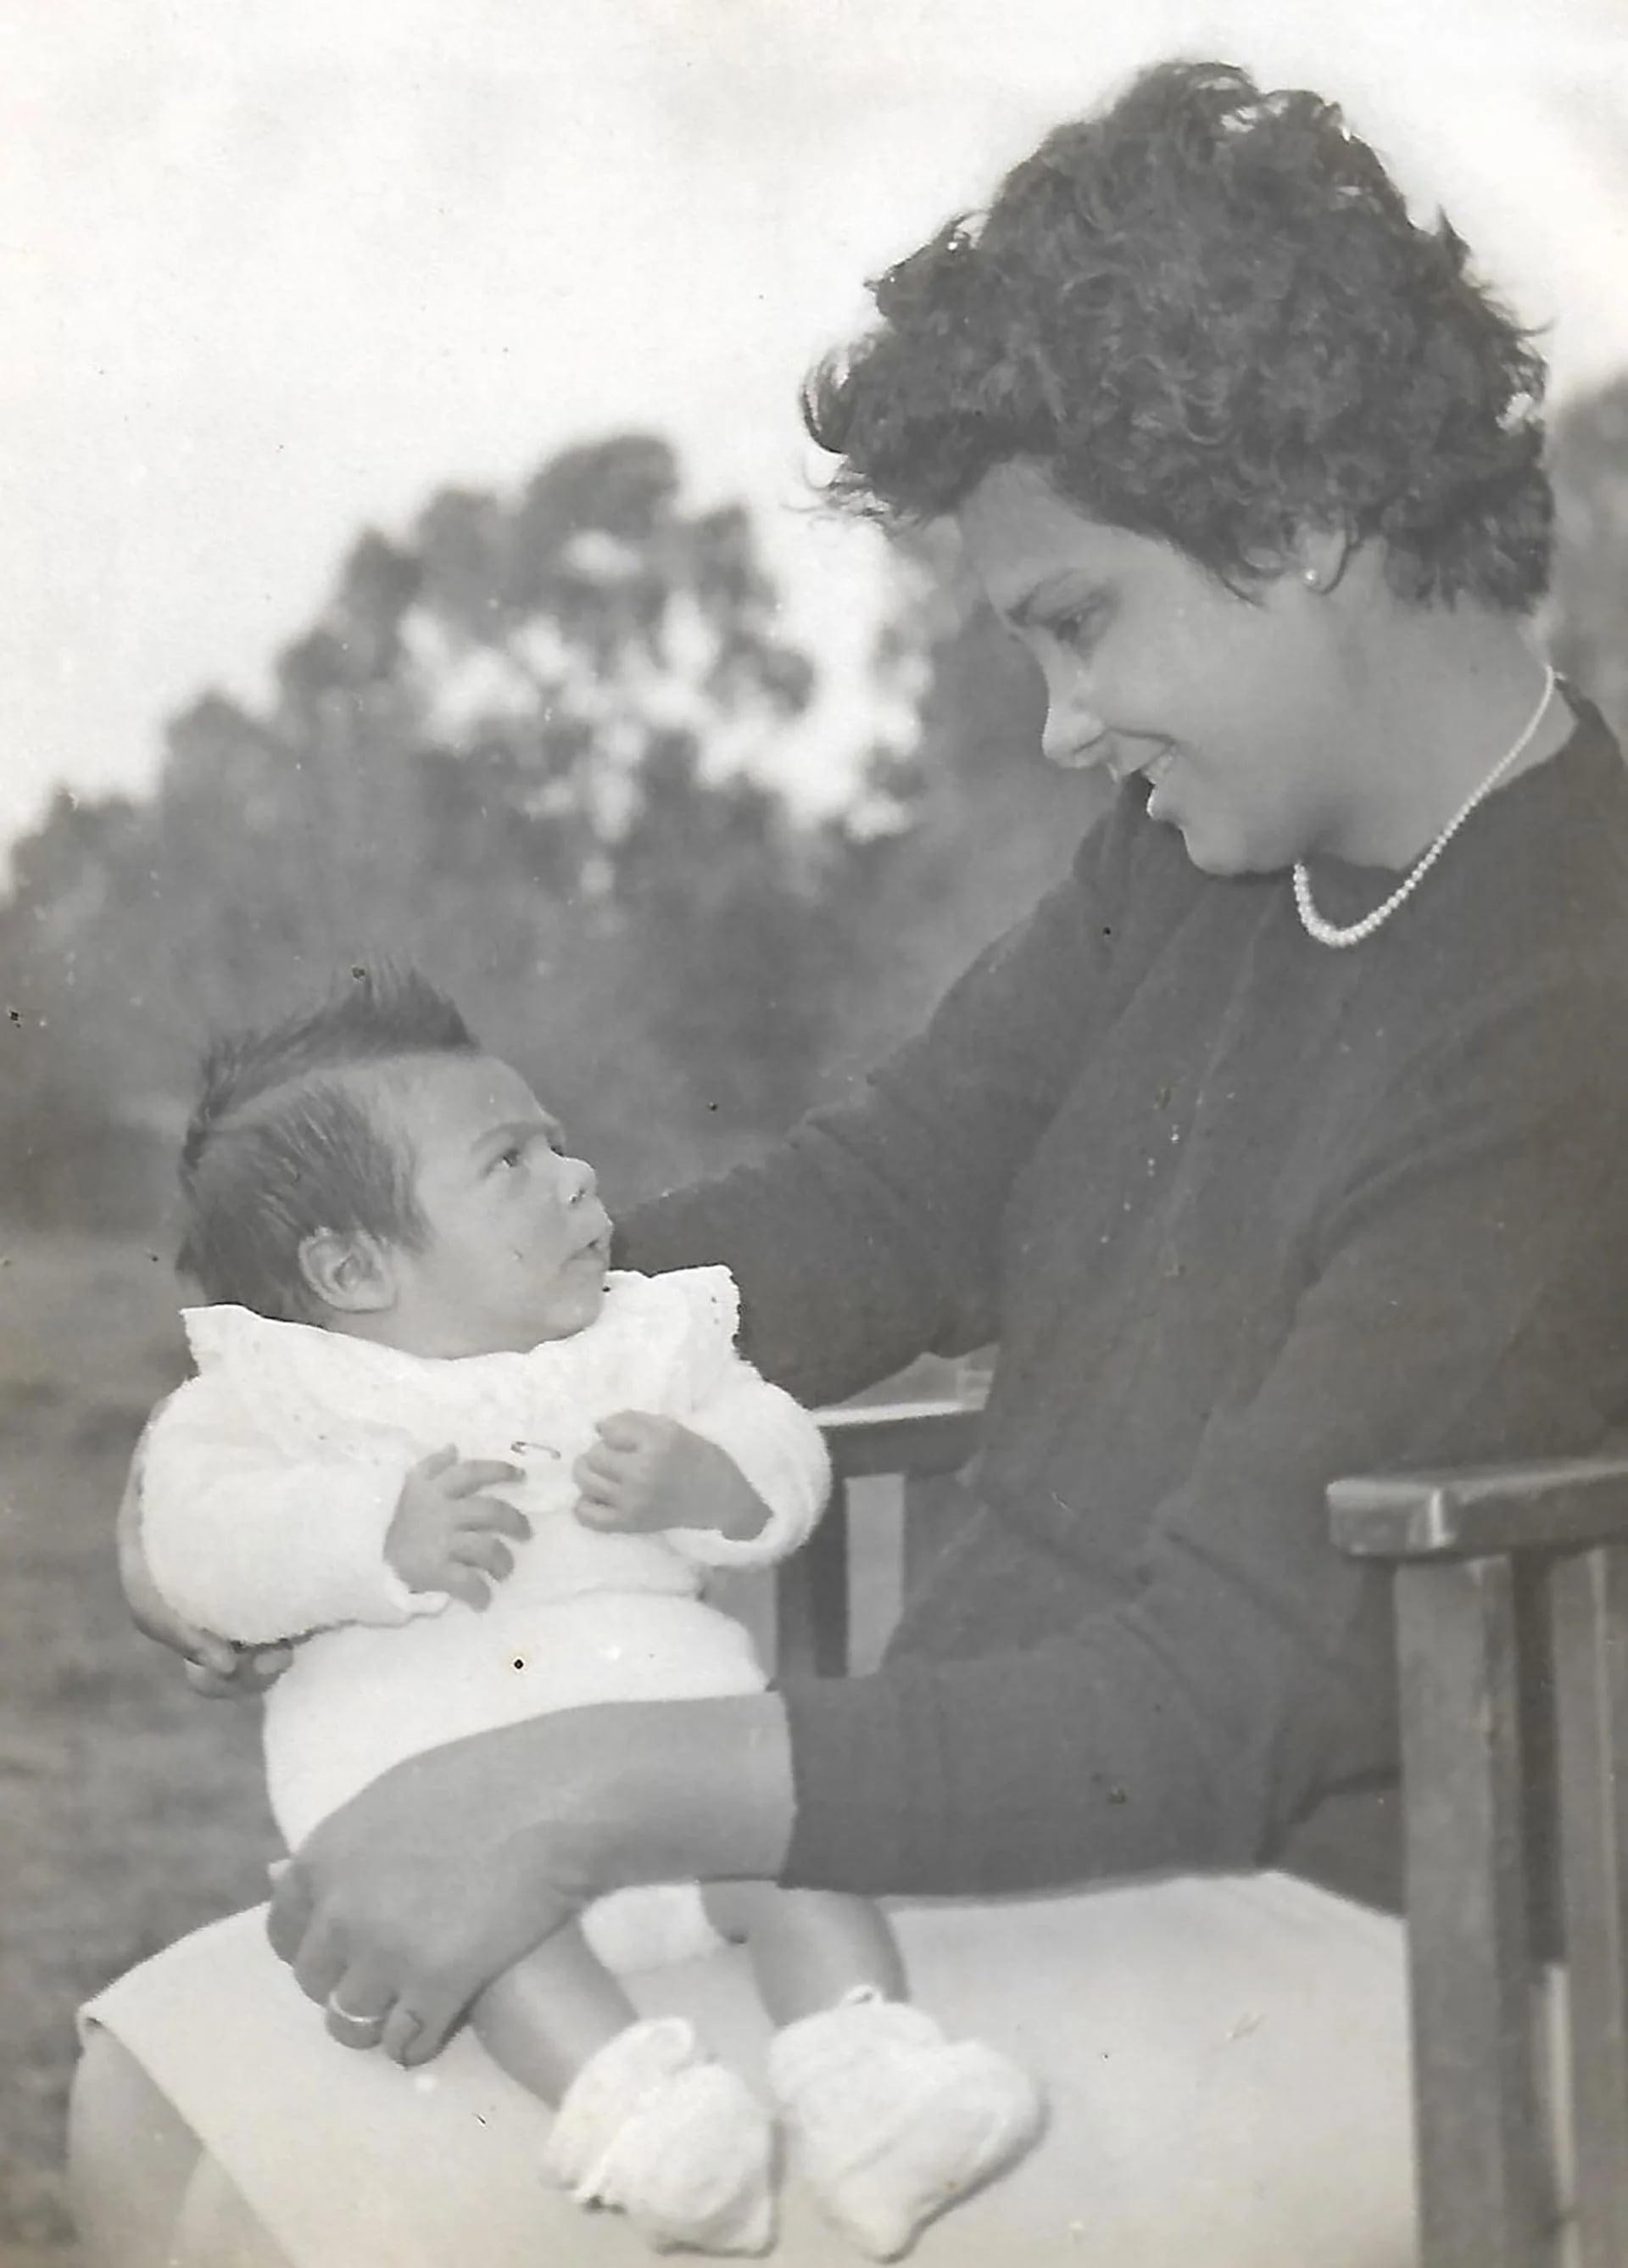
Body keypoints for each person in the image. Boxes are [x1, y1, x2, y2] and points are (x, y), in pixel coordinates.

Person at [73, 56, 1628, 2268]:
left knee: (306, 2217)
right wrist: (337, 1425)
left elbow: (1226, 1699)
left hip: (1385, 1959)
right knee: (162, 2107)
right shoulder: (1179, 866)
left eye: (1073, 623)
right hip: (976, 1876)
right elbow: (861, 1218)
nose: (1060, 726)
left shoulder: (1573, 991)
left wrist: (577, 1785)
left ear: (1292, 531)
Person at [126, 968, 1041, 2259]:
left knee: (803, 1852)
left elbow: (775, 1443)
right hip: (447, 1855)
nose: (576, 1176)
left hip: (688, 1802)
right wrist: (365, 1538)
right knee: (502, 1951)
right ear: (351, 1265)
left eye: (558, 1142)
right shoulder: (279, 1402)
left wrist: (709, 1478)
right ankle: (642, 2117)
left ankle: (871, 2080)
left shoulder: (642, 1338)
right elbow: (192, 1535)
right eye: (510, 1160)